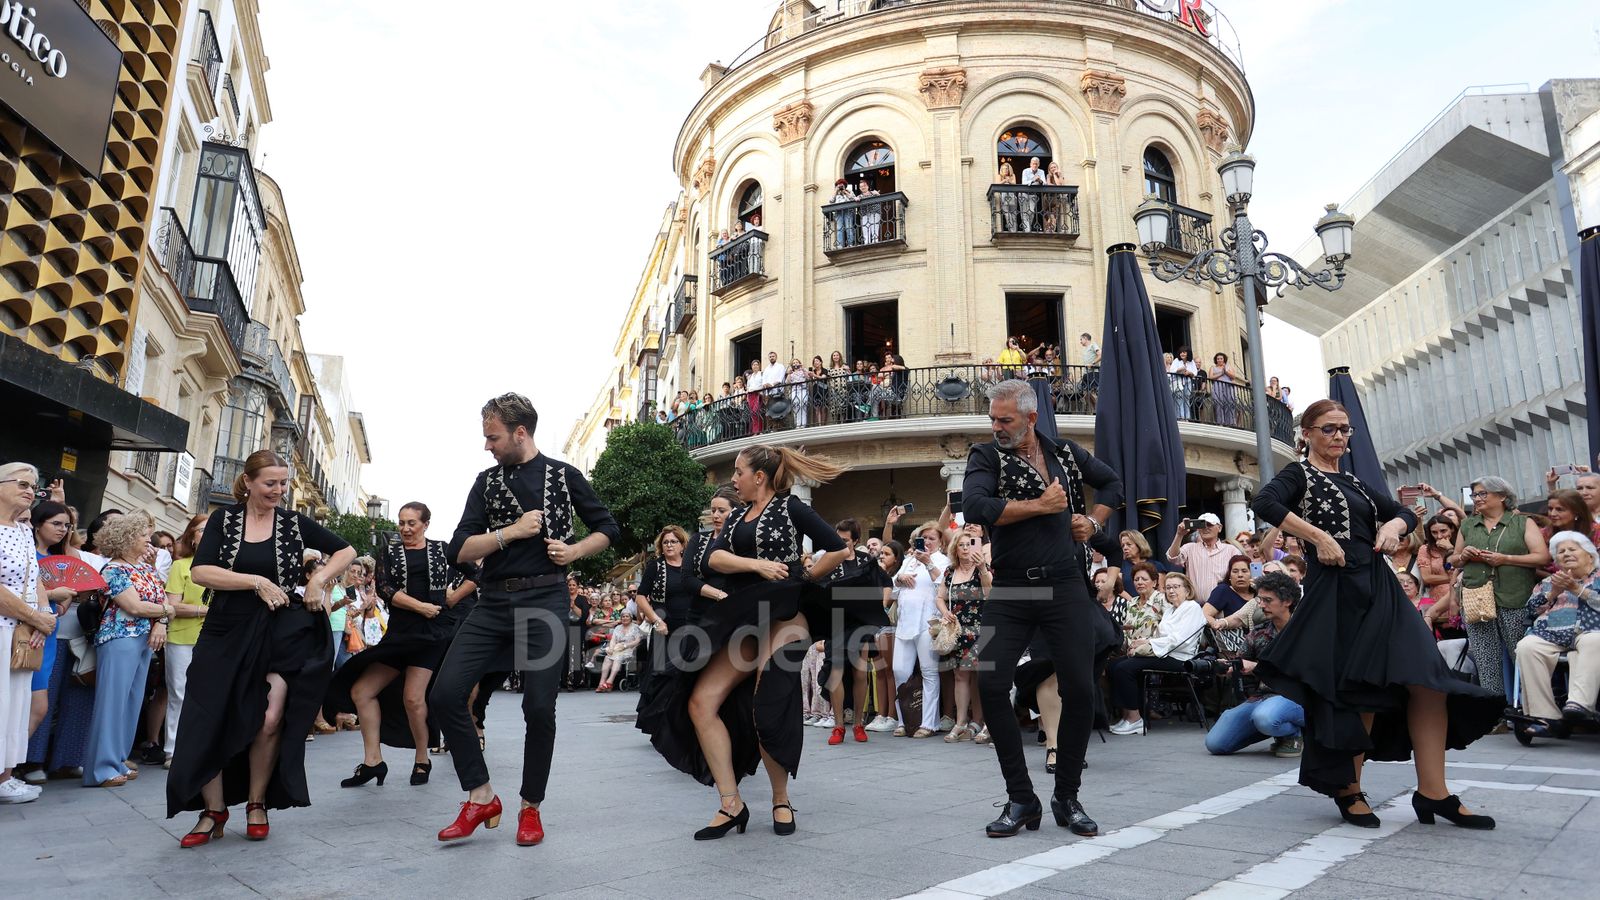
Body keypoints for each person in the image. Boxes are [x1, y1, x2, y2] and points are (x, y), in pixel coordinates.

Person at [1251, 399, 1501, 831]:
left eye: (1345, 430)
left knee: (1428, 681)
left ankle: (1434, 793)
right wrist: (1317, 537)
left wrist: (1394, 527)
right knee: (1359, 688)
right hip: (1337, 589)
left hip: (1380, 587)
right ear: (1307, 433)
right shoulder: (1300, 474)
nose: (1340, 437)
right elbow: (1265, 501)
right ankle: (1350, 787)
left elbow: (1401, 511)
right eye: (1330, 429)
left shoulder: (1356, 481)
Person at [433, 393, 620, 847]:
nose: (487, 446)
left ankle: (530, 807)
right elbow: (458, 548)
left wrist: (575, 551)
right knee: (444, 694)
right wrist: (509, 533)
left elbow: (608, 529)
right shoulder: (485, 481)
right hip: (493, 603)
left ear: (520, 433)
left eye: (492, 437)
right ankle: (481, 795)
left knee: (538, 707)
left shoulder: (563, 474)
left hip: (546, 601)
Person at [637, 445, 850, 841]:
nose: (733, 479)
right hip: (745, 615)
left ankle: (781, 799)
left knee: (768, 700)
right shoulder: (735, 517)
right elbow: (711, 562)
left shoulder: (791, 509)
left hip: (786, 615)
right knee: (700, 703)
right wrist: (757, 566)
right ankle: (731, 803)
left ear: (759, 477)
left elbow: (839, 549)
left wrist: (802, 581)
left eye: (738, 472)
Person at [167, 450, 353, 847]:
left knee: (270, 718)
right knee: (208, 716)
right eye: (271, 483)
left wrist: (318, 580)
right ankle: (213, 810)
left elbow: (346, 551)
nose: (279, 491)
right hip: (225, 628)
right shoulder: (223, 519)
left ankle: (256, 803)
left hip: (280, 630)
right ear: (248, 482)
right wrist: (254, 581)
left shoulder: (294, 523)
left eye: (284, 483)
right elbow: (201, 571)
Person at [962, 378, 1123, 838]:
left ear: (1031, 418)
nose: (996, 426)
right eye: (992, 418)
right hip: (1010, 590)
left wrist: (1093, 522)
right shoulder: (986, 456)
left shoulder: (1066, 453)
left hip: (1065, 588)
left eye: (1005, 419)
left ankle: (1067, 796)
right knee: (992, 686)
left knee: (1080, 689)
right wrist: (1040, 506)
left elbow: (1111, 482)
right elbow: (976, 505)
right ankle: (1021, 798)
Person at [327, 502, 470, 790]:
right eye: (401, 522)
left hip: (431, 635)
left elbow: (475, 575)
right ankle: (372, 761)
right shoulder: (389, 552)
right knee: (361, 691)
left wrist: (451, 600)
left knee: (413, 699)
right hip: (401, 633)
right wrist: (422, 607)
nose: (405, 528)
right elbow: (386, 588)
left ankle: (422, 758)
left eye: (411, 523)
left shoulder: (443, 549)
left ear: (425, 524)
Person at [82, 512, 173, 787]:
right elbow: (134, 606)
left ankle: (118, 759)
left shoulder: (145, 569)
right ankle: (101, 768)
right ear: (127, 538)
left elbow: (162, 600)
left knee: (132, 702)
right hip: (119, 638)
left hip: (144, 639)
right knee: (113, 702)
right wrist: (167, 612)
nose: (149, 540)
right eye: (144, 535)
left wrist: (163, 619)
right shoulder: (113, 569)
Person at [1452, 475, 1549, 698]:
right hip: (1477, 597)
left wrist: (1505, 559)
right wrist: (1463, 556)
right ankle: (1493, 714)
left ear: (1503, 496)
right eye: (1474, 494)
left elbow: (1542, 557)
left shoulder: (1522, 522)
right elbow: (1454, 559)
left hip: (1515, 596)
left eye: (1482, 493)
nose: (1476, 498)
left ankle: (1531, 708)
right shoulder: (1468, 525)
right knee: (1486, 659)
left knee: (1522, 655)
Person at [0, 464, 56, 803]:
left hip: (20, 632)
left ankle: (4, 777)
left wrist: (42, 619)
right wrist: (34, 616)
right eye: (23, 484)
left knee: (15, 705)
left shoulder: (22, 531)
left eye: (35, 486)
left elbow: (34, 580)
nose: (30, 491)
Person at [1205, 572, 1305, 757]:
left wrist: (1256, 667)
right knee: (1215, 744)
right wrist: (1227, 667)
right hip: (1262, 698)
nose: (1261, 605)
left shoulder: (1306, 632)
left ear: (1287, 601)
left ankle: (1293, 734)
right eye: (1260, 599)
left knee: (1266, 717)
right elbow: (1242, 663)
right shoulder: (1258, 633)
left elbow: (1305, 670)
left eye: (1268, 600)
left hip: (1299, 697)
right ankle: (1272, 726)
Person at [1512, 531, 1600, 738]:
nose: (1566, 554)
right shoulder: (1549, 581)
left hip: (1591, 630)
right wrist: (1553, 593)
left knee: (1594, 641)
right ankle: (1545, 717)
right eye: (1561, 552)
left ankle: (1579, 705)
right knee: (1527, 647)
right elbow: (1531, 611)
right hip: (1551, 633)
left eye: (1572, 549)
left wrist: (1577, 589)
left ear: (1589, 554)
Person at [1105, 572, 1206, 735]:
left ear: (1187, 590)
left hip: (1180, 658)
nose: (1171, 591)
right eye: (1168, 588)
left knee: (1125, 668)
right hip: (1163, 653)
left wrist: (1149, 643)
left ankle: (1135, 719)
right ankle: (1126, 715)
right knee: (1114, 665)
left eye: (1176, 587)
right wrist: (1142, 642)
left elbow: (1181, 640)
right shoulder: (1170, 610)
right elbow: (1160, 636)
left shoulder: (1191, 607)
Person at [888, 521, 952, 739]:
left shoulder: (944, 561)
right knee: (899, 670)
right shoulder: (908, 560)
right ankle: (904, 720)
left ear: (941, 542)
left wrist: (929, 564)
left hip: (928, 623)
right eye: (924, 538)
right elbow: (893, 590)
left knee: (929, 673)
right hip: (905, 623)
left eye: (932, 538)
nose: (927, 542)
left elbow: (944, 587)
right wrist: (899, 577)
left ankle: (929, 723)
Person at [161, 515, 210, 763]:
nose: (209, 532)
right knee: (179, 693)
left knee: (210, 694)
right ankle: (173, 749)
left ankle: (203, 748)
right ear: (191, 536)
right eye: (203, 529)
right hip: (182, 637)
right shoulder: (181, 566)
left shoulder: (228, 568)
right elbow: (172, 607)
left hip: (215, 640)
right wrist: (204, 611)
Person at [940, 530, 989, 743]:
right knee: (960, 675)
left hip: (980, 628)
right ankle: (961, 723)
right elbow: (939, 597)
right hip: (958, 629)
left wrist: (983, 568)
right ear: (955, 549)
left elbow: (990, 594)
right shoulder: (950, 572)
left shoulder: (981, 570)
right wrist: (945, 612)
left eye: (970, 544)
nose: (966, 548)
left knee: (982, 676)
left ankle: (985, 723)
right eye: (961, 545)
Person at [1166, 512, 1233, 599]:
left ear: (1219, 528)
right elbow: (1172, 558)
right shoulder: (1190, 548)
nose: (1205, 528)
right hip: (1195, 606)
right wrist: (1179, 534)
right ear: (1198, 529)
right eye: (1202, 525)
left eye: (1209, 524)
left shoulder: (1231, 550)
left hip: (1224, 606)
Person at [1540, 490, 1600, 573]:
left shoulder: (1596, 531)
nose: (1552, 514)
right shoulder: (1543, 534)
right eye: (1550, 509)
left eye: (1559, 509)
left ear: (1576, 512)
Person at [595, 612, 642, 691]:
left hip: (629, 649)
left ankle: (610, 681)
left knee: (617, 657)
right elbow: (613, 640)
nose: (625, 618)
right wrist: (611, 648)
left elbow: (638, 641)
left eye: (627, 616)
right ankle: (601, 683)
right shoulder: (618, 628)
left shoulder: (636, 627)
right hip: (617, 649)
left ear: (630, 618)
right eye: (623, 616)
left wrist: (625, 646)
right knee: (607, 658)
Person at [996, 161, 1019, 232]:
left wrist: (1009, 181)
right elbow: (997, 184)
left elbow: (1014, 184)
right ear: (1001, 170)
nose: (1005, 170)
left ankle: (1015, 230)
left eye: (1006, 169)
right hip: (1004, 196)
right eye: (1003, 169)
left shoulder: (1012, 176)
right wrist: (1005, 181)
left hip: (1012, 196)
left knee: (1013, 213)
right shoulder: (999, 176)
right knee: (1007, 213)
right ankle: (1010, 229)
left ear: (1009, 169)